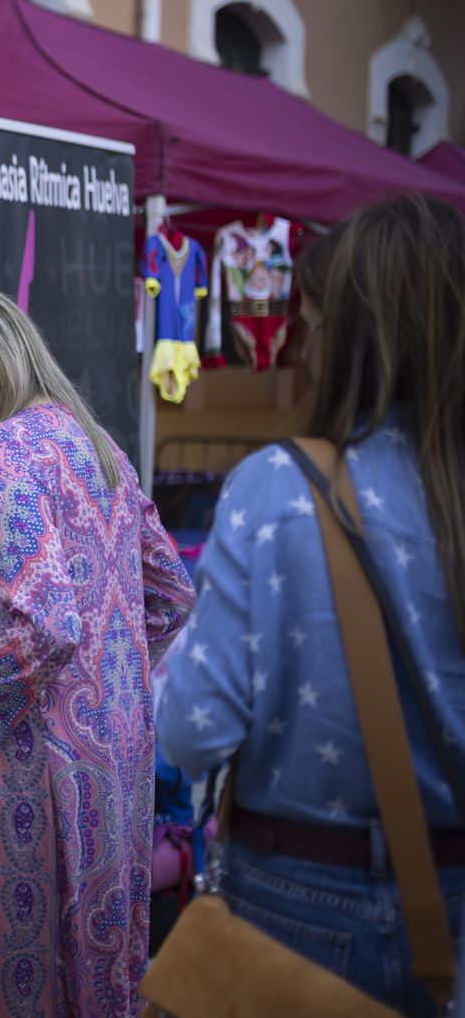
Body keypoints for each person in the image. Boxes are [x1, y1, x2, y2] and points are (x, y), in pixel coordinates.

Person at [156, 194, 465, 1014]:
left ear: (351, 339)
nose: (303, 343)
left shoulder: (279, 489)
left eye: (315, 321)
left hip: (298, 902)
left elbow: (192, 730)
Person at [0, 284, 193, 1018]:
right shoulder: (91, 442)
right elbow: (171, 593)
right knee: (96, 971)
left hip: (25, 766)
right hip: (115, 763)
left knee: (20, 981)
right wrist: (109, 675)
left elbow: (47, 628)